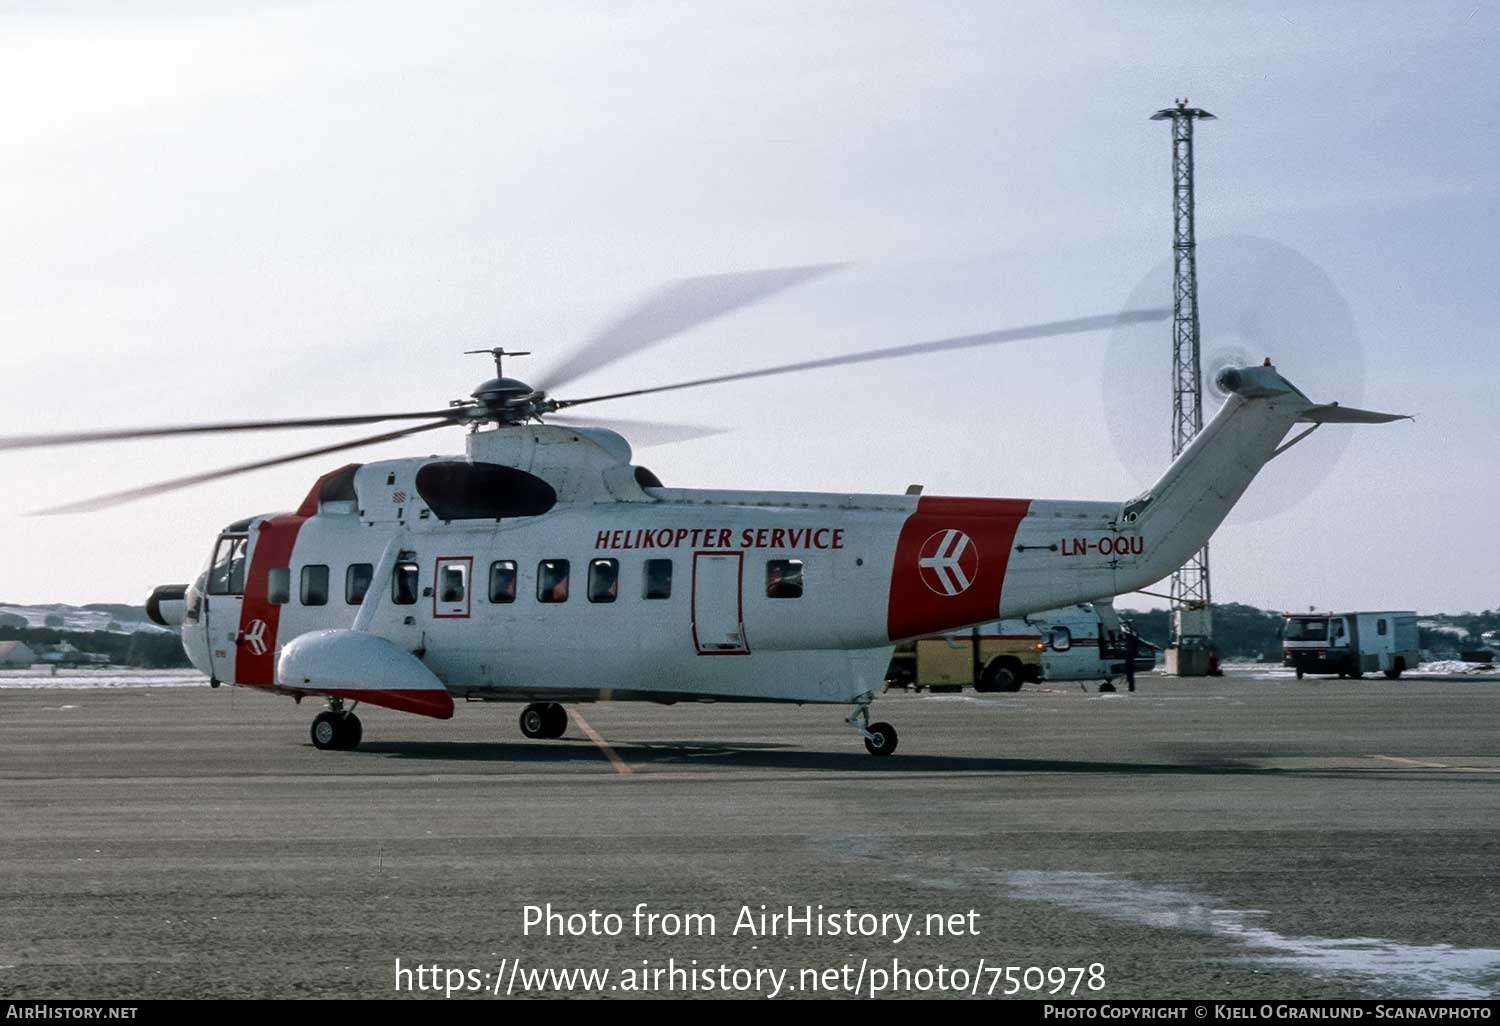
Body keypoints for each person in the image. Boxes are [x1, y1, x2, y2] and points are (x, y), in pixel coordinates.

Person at [1123, 627, 1141, 692]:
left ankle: (1131, 688)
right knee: (1130, 676)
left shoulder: (1131, 642)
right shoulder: (1133, 642)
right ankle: (1131, 687)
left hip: (1129, 662)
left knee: (1130, 676)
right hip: (1130, 661)